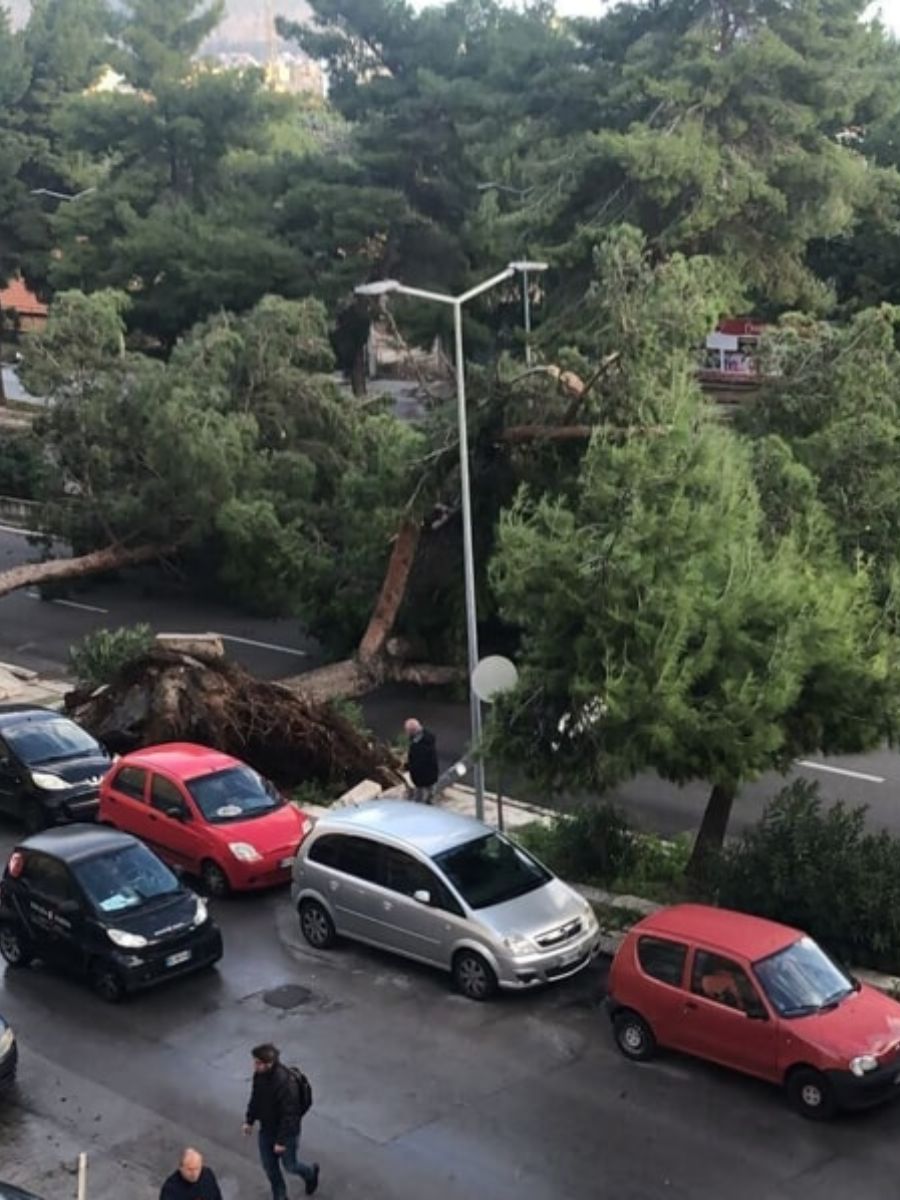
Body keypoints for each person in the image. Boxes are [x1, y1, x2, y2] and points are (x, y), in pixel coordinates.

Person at [243, 1043, 319, 1198]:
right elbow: (256, 1099)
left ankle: (310, 1174)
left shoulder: (285, 1083)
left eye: (258, 1062)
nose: (254, 1065)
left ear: (269, 1063)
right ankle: (280, 1196)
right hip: (267, 1130)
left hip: (286, 1134)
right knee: (270, 1168)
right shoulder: (260, 1075)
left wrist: (281, 1141)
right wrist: (249, 1121)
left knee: (290, 1165)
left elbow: (290, 1116)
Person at [404, 717, 439, 803]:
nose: (406, 733)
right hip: (432, 775)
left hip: (422, 779)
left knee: (419, 801)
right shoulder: (428, 737)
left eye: (407, 731)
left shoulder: (418, 747)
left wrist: (407, 766)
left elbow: (417, 763)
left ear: (412, 731)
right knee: (431, 796)